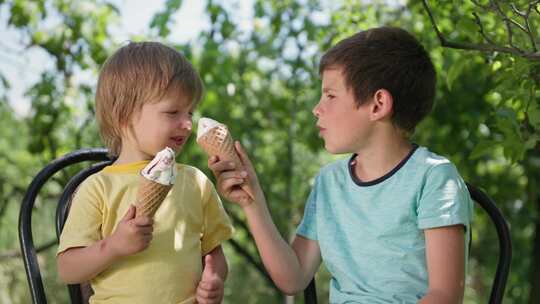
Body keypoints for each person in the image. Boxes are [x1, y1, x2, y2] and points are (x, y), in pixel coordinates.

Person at [209, 26, 473, 303]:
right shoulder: (329, 182)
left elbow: (444, 296)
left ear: (378, 104)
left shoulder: (433, 177)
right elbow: (293, 278)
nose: (317, 108)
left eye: (330, 95)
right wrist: (253, 202)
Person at [57, 41, 234, 304]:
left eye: (190, 113)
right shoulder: (97, 188)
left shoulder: (195, 182)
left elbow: (214, 254)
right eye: (173, 112)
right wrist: (113, 246)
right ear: (123, 115)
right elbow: (67, 269)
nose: (187, 124)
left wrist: (215, 280)